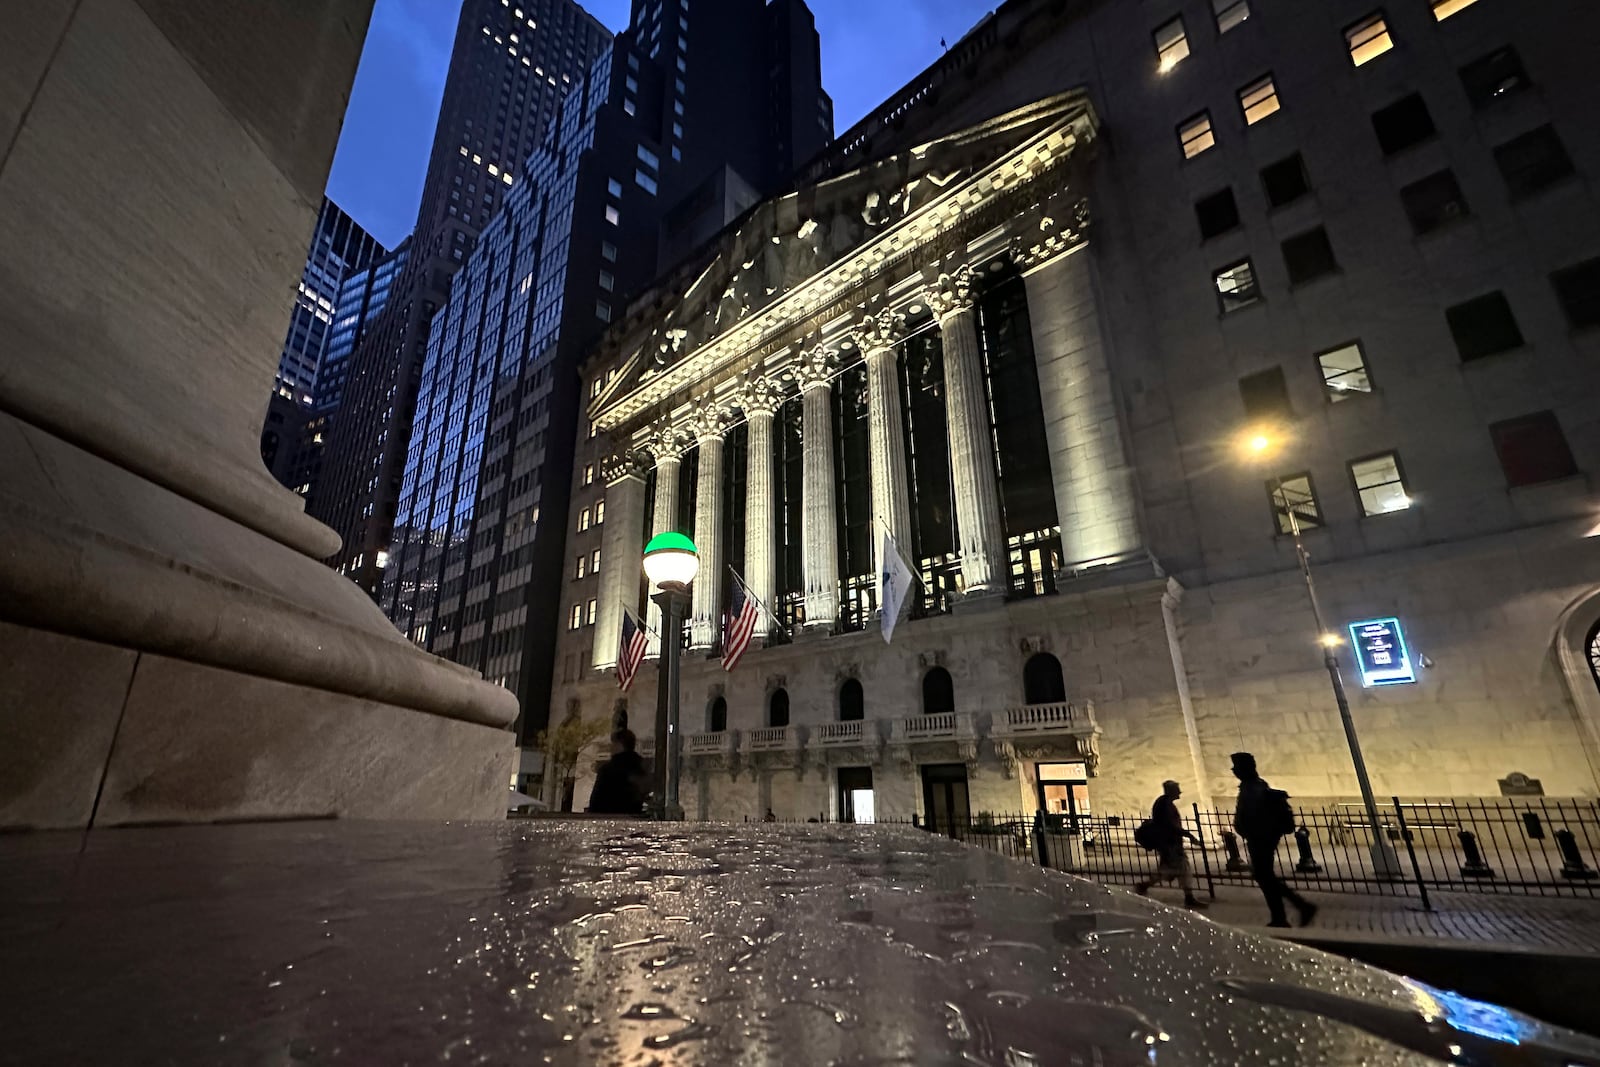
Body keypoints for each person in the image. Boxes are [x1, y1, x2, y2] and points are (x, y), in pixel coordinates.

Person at [1232, 752, 1317, 928]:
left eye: (1236, 766)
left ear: (1244, 768)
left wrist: (1246, 830)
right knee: (1265, 876)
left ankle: (1297, 908)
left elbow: (1252, 816)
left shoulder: (1251, 789)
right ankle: (1282, 916)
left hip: (1260, 839)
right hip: (1261, 838)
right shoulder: (1256, 785)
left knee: (1265, 876)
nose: (1233, 770)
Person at [1134, 780, 1207, 910]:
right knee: (1182, 868)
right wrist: (1189, 835)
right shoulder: (1165, 805)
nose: (1180, 792)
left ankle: (1144, 885)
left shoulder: (1164, 803)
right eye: (1177, 789)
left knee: (1169, 870)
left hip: (1169, 843)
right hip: (1170, 844)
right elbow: (1171, 826)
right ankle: (1188, 897)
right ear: (1171, 791)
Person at [586, 729, 648, 815]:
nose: (611, 748)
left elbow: (596, 801)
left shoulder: (608, 770)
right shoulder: (642, 767)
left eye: (613, 744)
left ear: (619, 745)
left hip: (607, 818)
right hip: (633, 818)